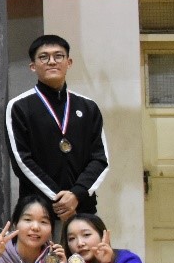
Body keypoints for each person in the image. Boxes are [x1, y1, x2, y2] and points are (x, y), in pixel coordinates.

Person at [7, 34, 108, 225]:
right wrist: (59, 198)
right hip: (39, 211)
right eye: (44, 57)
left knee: (83, 246)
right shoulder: (19, 106)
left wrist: (76, 194)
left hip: (82, 207)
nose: (52, 61)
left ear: (69, 62)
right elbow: (22, 160)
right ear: (33, 66)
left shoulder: (88, 107)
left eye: (58, 56)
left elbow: (100, 159)